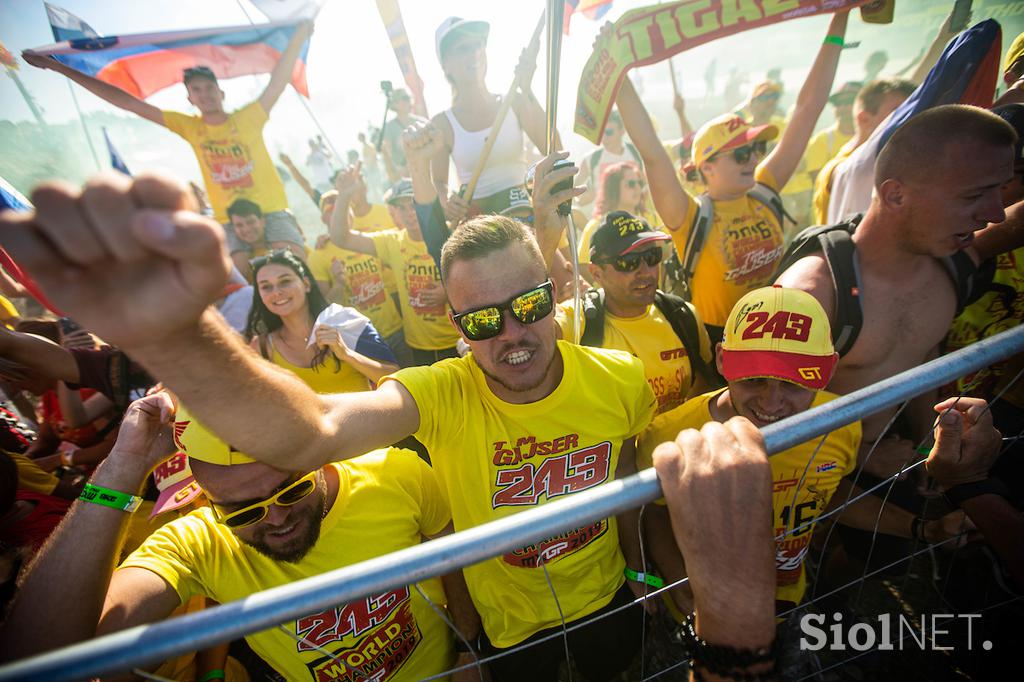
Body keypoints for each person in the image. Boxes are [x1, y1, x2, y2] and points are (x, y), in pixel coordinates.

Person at [0, 167, 660, 681]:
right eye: (485, 320)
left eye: (529, 305)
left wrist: (640, 571)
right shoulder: (443, 392)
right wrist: (176, 337)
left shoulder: (620, 378)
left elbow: (626, 472)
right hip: (510, 629)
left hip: (611, 598)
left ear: (554, 292)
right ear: (456, 329)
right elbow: (313, 433)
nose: (513, 334)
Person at [0, 393, 458, 680]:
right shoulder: (197, 544)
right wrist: (124, 468)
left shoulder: (394, 474)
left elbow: (452, 557)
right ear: (207, 500)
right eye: (241, 512)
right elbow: (43, 659)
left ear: (317, 454)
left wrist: (465, 651)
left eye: (292, 488)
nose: (276, 518)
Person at [616, 12, 849, 340]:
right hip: (721, 343)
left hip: (780, 330)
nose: (754, 158)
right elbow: (652, 154)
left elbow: (808, 108)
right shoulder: (690, 216)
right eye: (741, 153)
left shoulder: (763, 188)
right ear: (706, 167)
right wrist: (617, 74)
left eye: (757, 148)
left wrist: (840, 19)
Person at [23, 22, 313, 260]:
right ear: (190, 98)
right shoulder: (189, 126)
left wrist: (298, 36)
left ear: (221, 92)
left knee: (294, 264)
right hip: (229, 220)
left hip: (272, 210)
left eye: (210, 88)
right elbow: (128, 103)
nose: (205, 94)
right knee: (242, 280)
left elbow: (278, 81)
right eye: (197, 90)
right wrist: (61, 68)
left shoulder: (249, 118)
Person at [550, 211, 714, 415]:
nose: (645, 271)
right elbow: (539, 334)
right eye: (628, 262)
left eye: (652, 257)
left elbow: (706, 384)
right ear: (596, 273)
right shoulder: (581, 319)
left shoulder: (683, 315)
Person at [329, 171, 460, 366]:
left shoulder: (451, 235)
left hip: (457, 341)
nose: (410, 212)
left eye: (414, 205)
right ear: (394, 212)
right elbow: (341, 237)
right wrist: (345, 195)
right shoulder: (392, 242)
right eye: (402, 207)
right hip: (418, 347)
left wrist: (449, 292)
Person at [429, 17, 550, 217]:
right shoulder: (442, 124)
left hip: (527, 214)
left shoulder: (515, 101)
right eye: (463, 48)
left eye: (478, 45)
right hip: (481, 226)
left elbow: (553, 148)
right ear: (446, 65)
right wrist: (447, 197)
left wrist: (527, 89)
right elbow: (439, 182)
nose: (475, 53)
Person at [246, 249, 398, 392]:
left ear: (306, 284)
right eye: (266, 287)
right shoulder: (262, 348)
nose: (277, 292)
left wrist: (347, 354)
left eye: (285, 281)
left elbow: (395, 378)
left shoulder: (345, 321)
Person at [306, 190, 410, 366]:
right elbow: (326, 308)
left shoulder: (368, 239)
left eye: (345, 209)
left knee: (412, 378)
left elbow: (405, 237)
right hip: (361, 336)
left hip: (395, 328)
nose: (340, 215)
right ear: (324, 219)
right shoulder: (319, 256)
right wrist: (338, 283)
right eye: (332, 212)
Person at [811, 78, 916, 225]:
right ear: (864, 119)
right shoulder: (839, 168)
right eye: (898, 112)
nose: (910, 118)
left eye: (914, 110)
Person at [575, 162, 653, 269]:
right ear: (613, 188)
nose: (637, 188)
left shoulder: (651, 219)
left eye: (640, 183)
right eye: (631, 184)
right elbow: (583, 267)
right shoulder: (596, 227)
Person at [575, 110, 644, 208]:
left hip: (634, 217)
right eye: (601, 133)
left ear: (622, 131)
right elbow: (573, 191)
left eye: (608, 132)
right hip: (605, 219)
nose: (604, 137)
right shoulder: (591, 159)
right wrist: (581, 200)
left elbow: (645, 184)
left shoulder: (637, 153)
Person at [226, 198, 305, 280]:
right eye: (239, 225)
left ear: (263, 221)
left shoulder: (292, 249)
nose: (247, 229)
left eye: (251, 222)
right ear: (234, 229)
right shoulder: (235, 264)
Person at [382, 88, 428, 181]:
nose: (409, 101)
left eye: (409, 97)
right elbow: (387, 154)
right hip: (403, 178)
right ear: (395, 104)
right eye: (405, 98)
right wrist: (398, 171)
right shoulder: (389, 128)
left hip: (424, 172)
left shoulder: (422, 123)